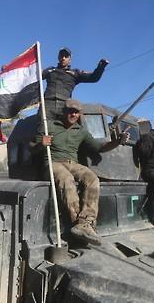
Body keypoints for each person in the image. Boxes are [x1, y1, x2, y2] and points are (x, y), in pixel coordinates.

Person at [31, 99, 128, 245]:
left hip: (73, 163)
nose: (73, 114)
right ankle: (77, 224)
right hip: (53, 162)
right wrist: (41, 143)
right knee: (66, 180)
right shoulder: (48, 125)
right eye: (70, 111)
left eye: (76, 112)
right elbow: (31, 149)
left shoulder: (81, 131)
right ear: (64, 112)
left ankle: (85, 223)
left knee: (92, 179)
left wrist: (117, 142)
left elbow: (99, 148)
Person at [41, 47, 109, 120]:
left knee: (63, 130)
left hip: (64, 107)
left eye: (66, 56)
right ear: (58, 57)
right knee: (42, 129)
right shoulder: (50, 70)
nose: (63, 58)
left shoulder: (75, 73)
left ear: (70, 59)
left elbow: (93, 78)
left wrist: (101, 67)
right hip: (47, 105)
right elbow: (36, 75)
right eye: (61, 56)